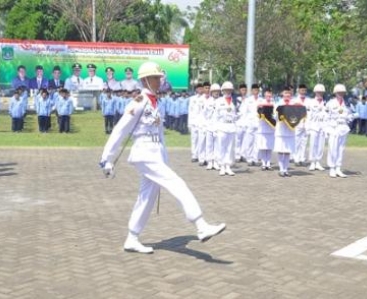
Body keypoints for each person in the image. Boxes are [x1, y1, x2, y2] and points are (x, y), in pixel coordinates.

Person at [99, 61, 226, 254]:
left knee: (146, 197)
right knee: (176, 182)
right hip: (144, 152)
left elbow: (159, 136)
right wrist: (107, 158)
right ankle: (200, 224)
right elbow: (120, 130)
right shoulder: (139, 101)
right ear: (146, 80)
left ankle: (132, 237)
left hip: (155, 153)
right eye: (156, 78)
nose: (159, 81)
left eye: (159, 78)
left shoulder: (154, 102)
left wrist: (164, 157)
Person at [325, 84, 355, 178]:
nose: (341, 94)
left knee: (340, 149)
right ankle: (332, 168)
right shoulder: (330, 103)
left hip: (343, 127)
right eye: (339, 92)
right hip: (333, 128)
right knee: (332, 148)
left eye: (342, 92)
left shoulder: (347, 104)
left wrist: (351, 117)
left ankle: (338, 168)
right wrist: (327, 130)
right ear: (335, 93)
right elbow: (326, 117)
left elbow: (350, 115)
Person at [215, 82, 238, 176]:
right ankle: (221, 166)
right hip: (222, 126)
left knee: (230, 148)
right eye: (226, 90)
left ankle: (228, 166)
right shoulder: (219, 101)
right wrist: (215, 128)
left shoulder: (234, 101)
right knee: (221, 147)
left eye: (229, 90)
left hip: (231, 126)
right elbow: (215, 116)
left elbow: (235, 114)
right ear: (223, 91)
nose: (228, 91)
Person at [274, 88, 296, 177]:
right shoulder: (278, 104)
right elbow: (275, 117)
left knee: (287, 151)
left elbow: (296, 117)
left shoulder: (293, 104)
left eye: (289, 94)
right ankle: (281, 169)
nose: (287, 95)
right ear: (282, 94)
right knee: (281, 150)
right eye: (285, 93)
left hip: (290, 131)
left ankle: (286, 169)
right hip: (281, 130)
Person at [306, 84, 328, 171]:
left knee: (321, 145)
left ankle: (318, 161)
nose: (320, 93)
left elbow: (327, 116)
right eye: (318, 92)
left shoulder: (326, 103)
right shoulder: (311, 102)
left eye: (321, 92)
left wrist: (327, 129)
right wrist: (307, 128)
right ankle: (312, 162)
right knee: (313, 144)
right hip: (313, 126)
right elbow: (308, 116)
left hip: (322, 126)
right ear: (315, 92)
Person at [256, 88, 276, 171]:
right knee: (263, 147)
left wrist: (272, 118)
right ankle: (264, 163)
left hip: (271, 128)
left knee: (269, 147)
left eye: (270, 95)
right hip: (263, 128)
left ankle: (268, 163)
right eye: (267, 95)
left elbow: (275, 115)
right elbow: (257, 114)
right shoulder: (260, 103)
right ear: (265, 95)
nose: (268, 96)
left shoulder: (274, 104)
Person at [293, 84, 310, 166]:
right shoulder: (294, 100)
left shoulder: (309, 101)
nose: (303, 92)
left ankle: (302, 158)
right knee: (297, 141)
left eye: (304, 90)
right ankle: (296, 158)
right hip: (298, 123)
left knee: (304, 141)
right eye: (302, 90)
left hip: (306, 123)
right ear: (298, 90)